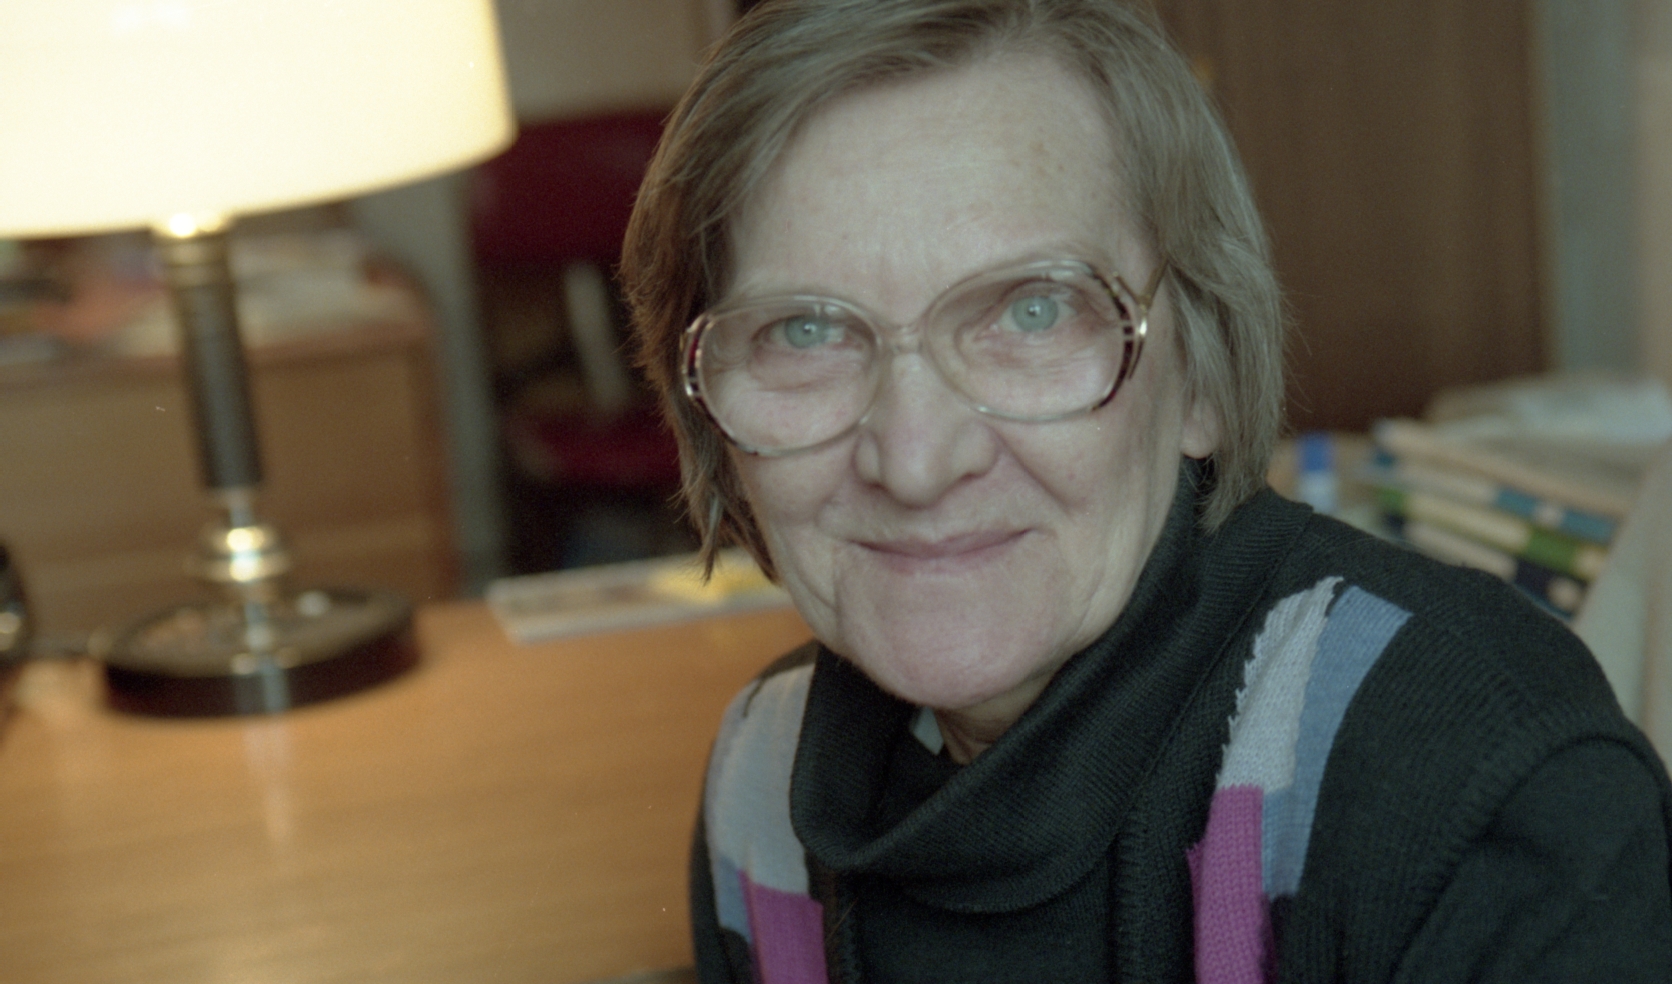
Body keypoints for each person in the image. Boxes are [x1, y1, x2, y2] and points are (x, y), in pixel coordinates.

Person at [619, 1, 1672, 980]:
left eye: (1033, 312)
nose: (915, 460)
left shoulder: (1474, 785)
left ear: (1201, 372)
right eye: (804, 331)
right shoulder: (761, 790)